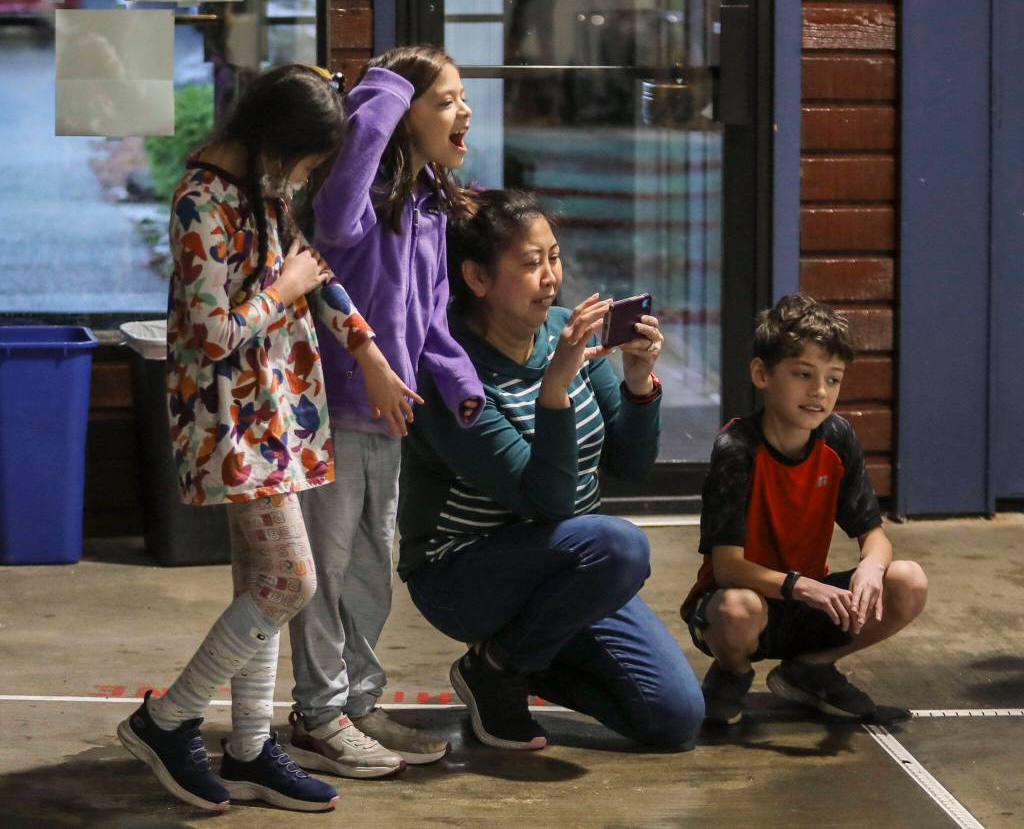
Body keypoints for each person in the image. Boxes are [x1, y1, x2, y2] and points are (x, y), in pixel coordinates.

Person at [116, 64, 419, 812]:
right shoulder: (199, 203)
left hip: (280, 417)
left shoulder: (262, 190)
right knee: (292, 582)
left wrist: (368, 350)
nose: (304, 179)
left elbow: (315, 273)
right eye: (306, 162)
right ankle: (166, 719)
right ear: (274, 142)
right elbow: (210, 333)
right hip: (230, 423)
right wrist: (277, 293)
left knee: (264, 590)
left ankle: (251, 748)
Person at [396, 188, 704, 751]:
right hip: (463, 574)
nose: (550, 277)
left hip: (567, 568)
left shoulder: (564, 330)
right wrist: (555, 388)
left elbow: (630, 466)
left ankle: (511, 660)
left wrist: (638, 382)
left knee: (674, 720)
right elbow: (548, 502)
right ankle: (498, 669)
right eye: (531, 263)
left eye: (554, 257)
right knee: (621, 545)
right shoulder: (449, 371)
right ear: (478, 278)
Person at [287, 46, 485, 777]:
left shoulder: (431, 206)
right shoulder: (357, 193)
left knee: (371, 569)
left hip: (390, 419)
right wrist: (386, 90)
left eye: (463, 99)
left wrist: (458, 382)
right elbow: (334, 227)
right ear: (399, 115)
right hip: (334, 413)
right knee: (324, 572)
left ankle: (358, 703)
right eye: (445, 100)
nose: (462, 112)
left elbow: (431, 322)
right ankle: (317, 714)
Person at [680, 294, 929, 724]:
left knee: (908, 580)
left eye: (833, 379)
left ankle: (809, 668)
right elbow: (727, 568)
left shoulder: (837, 439)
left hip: (808, 602)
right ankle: (732, 672)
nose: (819, 391)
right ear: (761, 373)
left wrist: (870, 567)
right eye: (803, 374)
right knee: (740, 608)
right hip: (739, 606)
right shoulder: (737, 448)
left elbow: (874, 536)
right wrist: (806, 587)